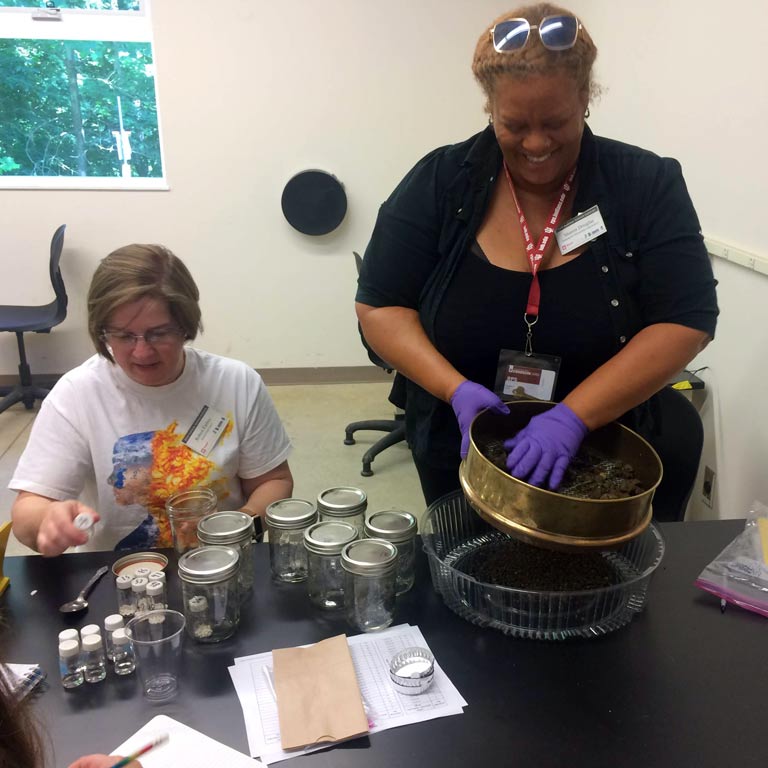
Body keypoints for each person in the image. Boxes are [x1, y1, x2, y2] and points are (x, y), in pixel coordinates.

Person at [355, 3, 718, 515]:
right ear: (488, 107)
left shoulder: (645, 184)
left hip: (607, 456)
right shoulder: (438, 182)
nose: (536, 143)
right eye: (514, 123)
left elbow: (687, 319)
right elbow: (379, 307)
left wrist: (573, 416)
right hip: (461, 450)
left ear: (586, 97)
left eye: (556, 121)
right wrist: (454, 390)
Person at [10, 244, 293, 555]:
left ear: (186, 325)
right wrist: (47, 521)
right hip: (115, 578)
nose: (142, 352)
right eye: (123, 335)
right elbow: (27, 513)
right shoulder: (77, 394)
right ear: (101, 330)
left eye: (159, 334)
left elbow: (274, 481)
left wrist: (237, 526)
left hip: (218, 564)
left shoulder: (236, 383)